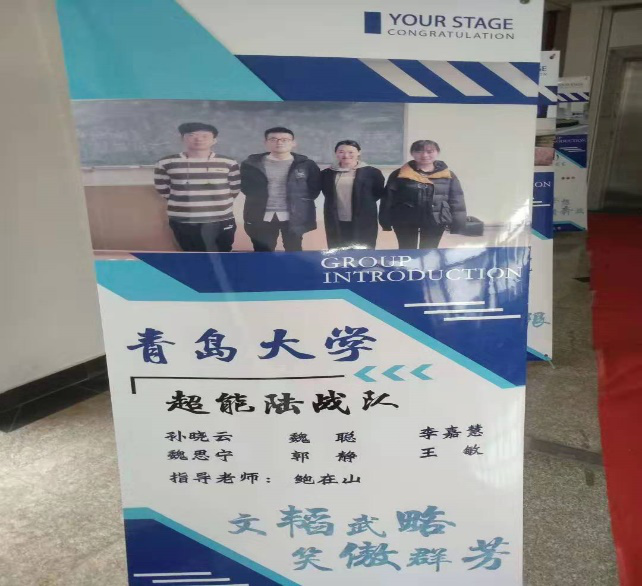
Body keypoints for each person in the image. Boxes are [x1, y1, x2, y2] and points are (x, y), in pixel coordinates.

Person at [154, 122, 240, 252]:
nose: (198, 139)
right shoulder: (166, 162)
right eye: (192, 135)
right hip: (184, 219)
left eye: (205, 136)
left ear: (214, 140)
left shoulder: (228, 162)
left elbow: (234, 189)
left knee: (223, 253)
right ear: (182, 138)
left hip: (221, 218)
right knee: (191, 254)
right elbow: (163, 189)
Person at [241, 127, 321, 252]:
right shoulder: (251, 164)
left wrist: (299, 203)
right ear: (266, 143)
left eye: (285, 139)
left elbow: (314, 189)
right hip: (261, 215)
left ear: (293, 143)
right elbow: (245, 187)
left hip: (294, 216)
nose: (279, 142)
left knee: (294, 251)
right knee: (263, 252)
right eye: (273, 139)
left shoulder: (306, 164)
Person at [379, 140, 466, 249]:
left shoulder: (448, 175)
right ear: (412, 153)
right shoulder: (400, 174)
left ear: (437, 152)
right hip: (405, 220)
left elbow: (457, 200)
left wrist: (458, 223)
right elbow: (388, 198)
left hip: (436, 219)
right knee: (407, 250)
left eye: (430, 151)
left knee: (429, 251)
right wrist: (385, 221)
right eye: (419, 151)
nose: (424, 155)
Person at [320, 140, 385, 249]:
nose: (346, 155)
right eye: (341, 152)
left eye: (351, 152)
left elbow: (378, 193)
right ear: (336, 153)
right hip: (336, 218)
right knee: (338, 249)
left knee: (363, 249)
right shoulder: (327, 173)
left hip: (364, 218)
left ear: (359, 152)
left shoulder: (372, 172)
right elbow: (326, 192)